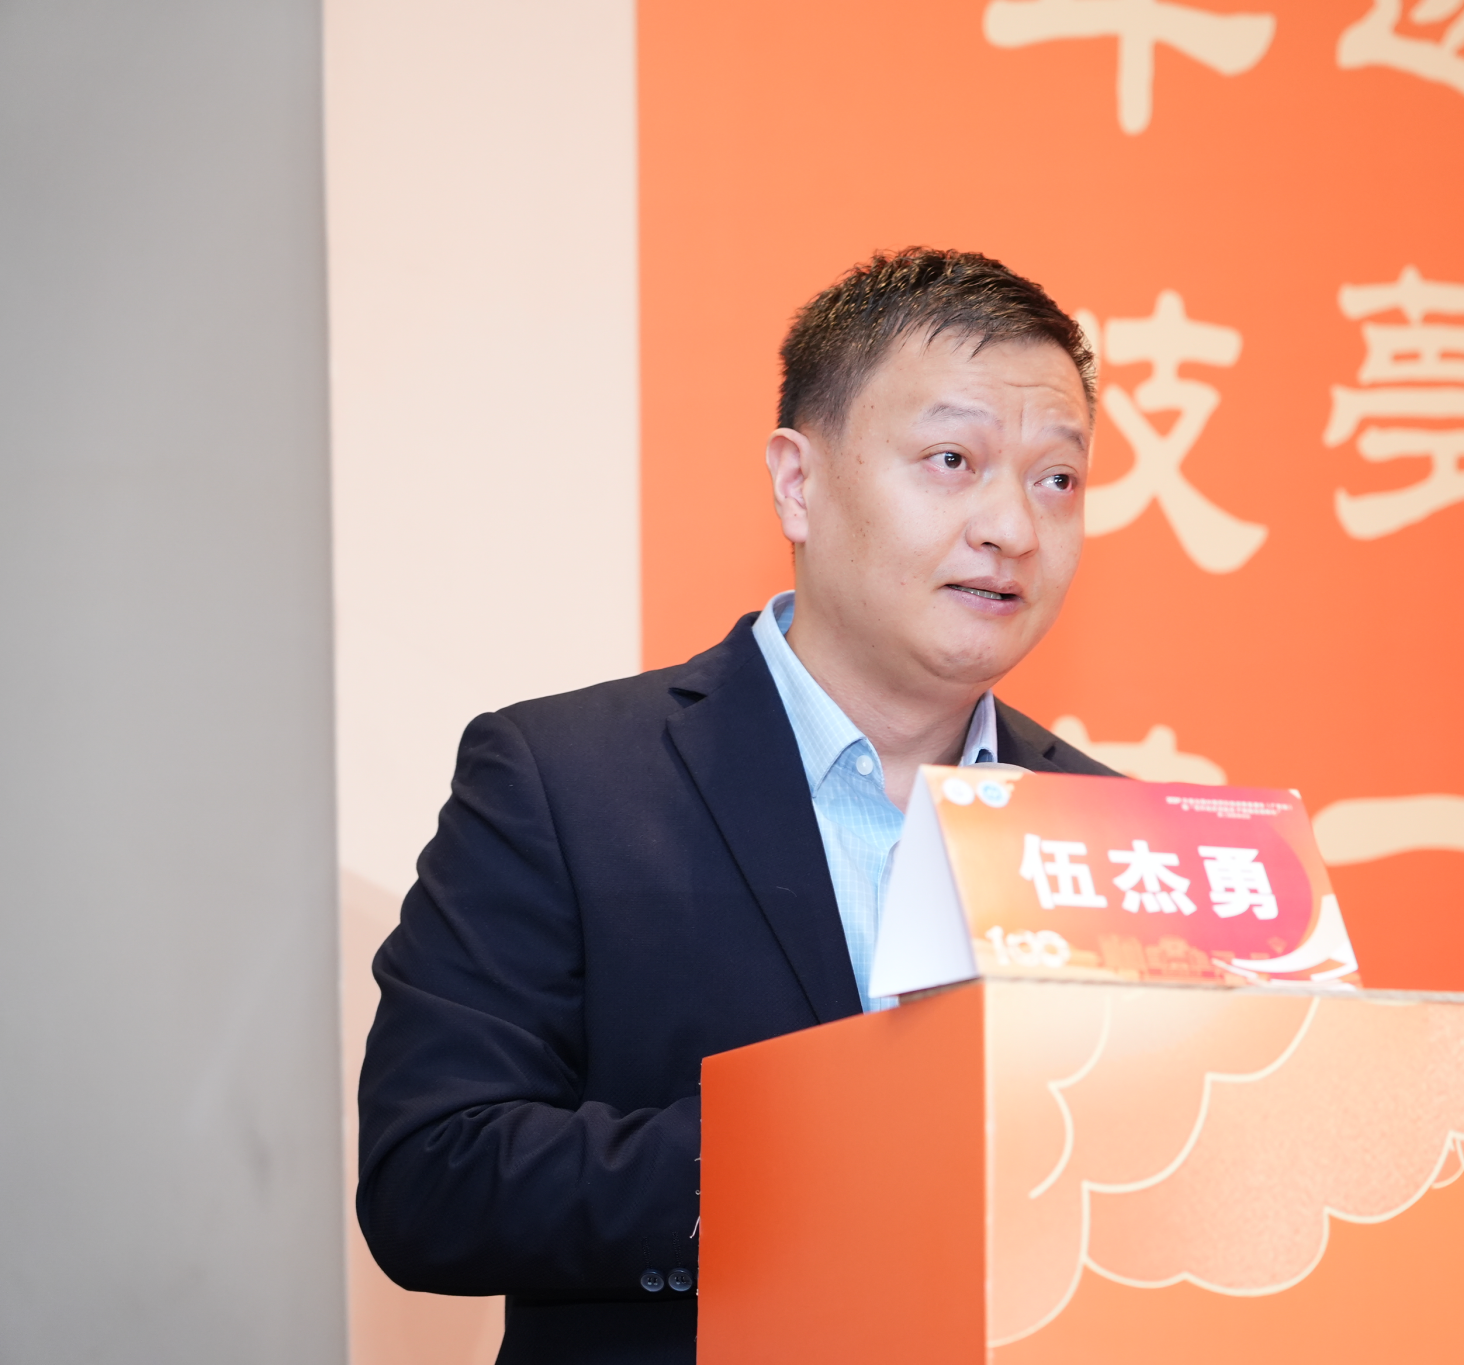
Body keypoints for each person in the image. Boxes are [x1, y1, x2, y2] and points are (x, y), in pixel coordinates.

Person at [355, 248, 1119, 1364]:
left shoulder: (1110, 830)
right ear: (798, 483)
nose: (1012, 526)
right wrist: (814, 1159)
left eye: (1057, 479)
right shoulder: (562, 781)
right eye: (952, 460)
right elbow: (433, 1173)